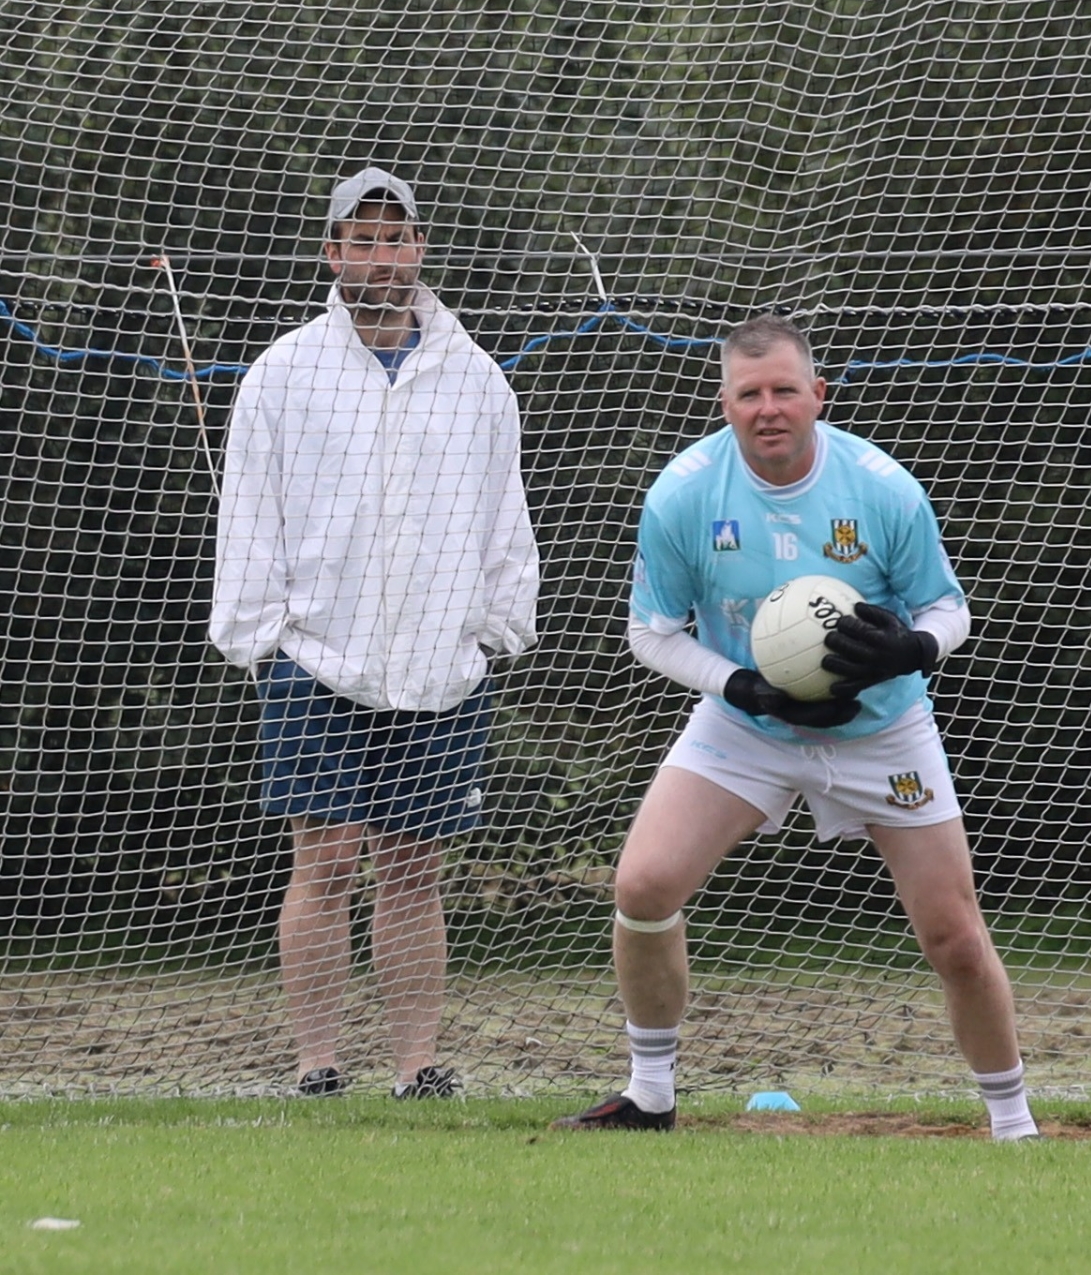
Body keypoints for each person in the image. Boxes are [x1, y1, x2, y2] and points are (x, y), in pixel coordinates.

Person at [552, 314, 1037, 1140]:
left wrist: (912, 648)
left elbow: (947, 608)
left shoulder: (882, 487)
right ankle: (650, 1095)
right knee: (642, 885)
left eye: (784, 390)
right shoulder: (683, 494)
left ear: (819, 393)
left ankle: (1014, 1124)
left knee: (954, 935)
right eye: (749, 394)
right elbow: (651, 632)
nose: (768, 408)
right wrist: (742, 684)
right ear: (725, 403)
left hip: (883, 731)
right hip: (749, 726)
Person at [210, 166, 539, 1099]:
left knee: (413, 869)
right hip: (316, 657)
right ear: (333, 253)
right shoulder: (282, 375)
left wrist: (494, 627)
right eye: (363, 240)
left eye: (396, 239)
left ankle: (416, 1065)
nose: (381, 256)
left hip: (440, 666)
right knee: (325, 862)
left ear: (420, 248)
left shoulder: (476, 378)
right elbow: (250, 516)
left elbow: (502, 512)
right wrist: (260, 635)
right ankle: (317, 1064)